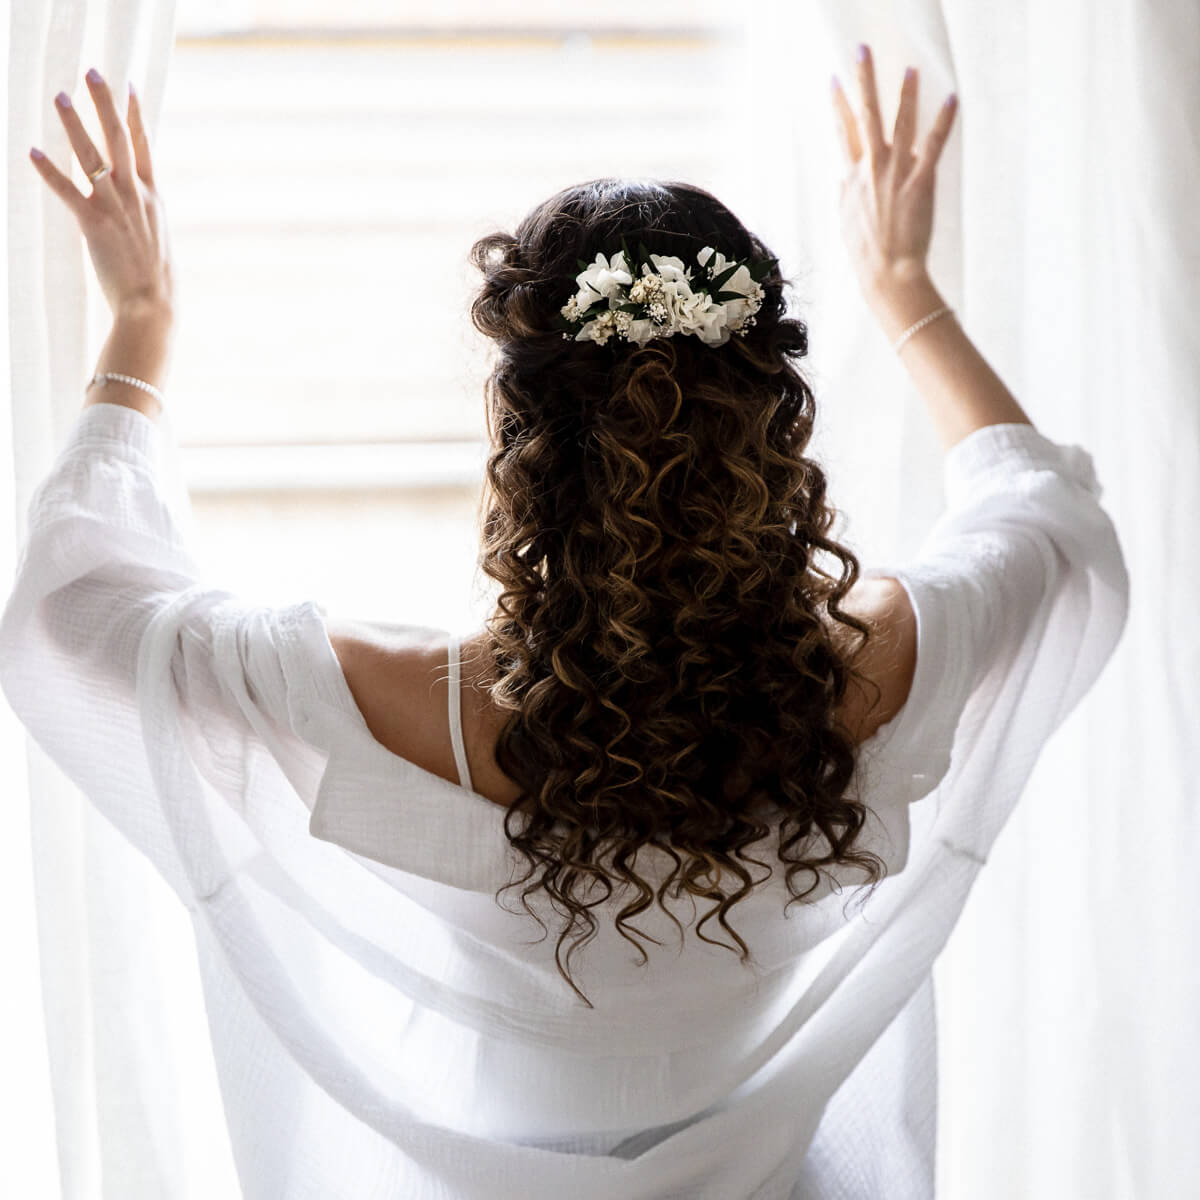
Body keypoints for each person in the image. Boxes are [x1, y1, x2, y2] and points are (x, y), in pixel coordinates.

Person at [1, 45, 1127, 1200]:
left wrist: (139, 325)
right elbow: (1048, 518)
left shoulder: (403, 700)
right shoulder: (880, 661)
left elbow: (73, 611)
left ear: (520, 429)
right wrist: (906, 289)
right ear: (770, 418)